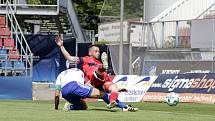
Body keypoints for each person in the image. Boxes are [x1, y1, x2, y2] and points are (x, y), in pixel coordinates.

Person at [55, 36, 138, 111]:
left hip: (104, 81)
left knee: (114, 88)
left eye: (99, 51)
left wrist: (117, 90)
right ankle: (103, 68)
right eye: (96, 51)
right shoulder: (86, 59)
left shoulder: (98, 62)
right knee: (99, 70)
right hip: (94, 78)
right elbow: (69, 57)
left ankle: (123, 106)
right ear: (90, 53)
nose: (98, 52)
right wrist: (61, 46)